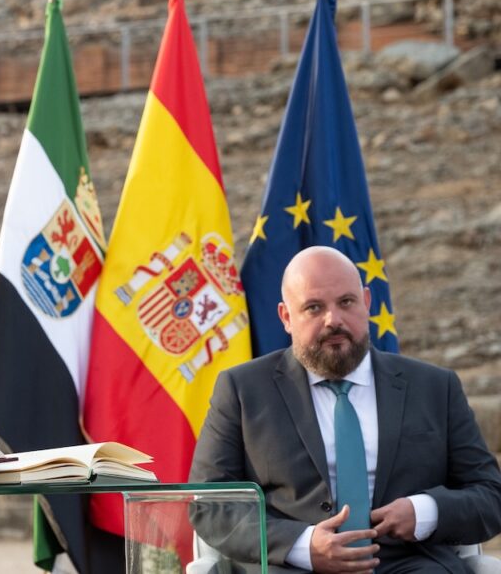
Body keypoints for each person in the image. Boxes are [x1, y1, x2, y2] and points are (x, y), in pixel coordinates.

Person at [189, 245, 501, 574]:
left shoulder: (435, 387)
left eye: (346, 302)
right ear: (286, 317)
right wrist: (302, 545)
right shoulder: (242, 390)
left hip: (410, 564)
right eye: (314, 307)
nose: (333, 320)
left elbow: (490, 496)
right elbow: (209, 504)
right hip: (289, 566)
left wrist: (425, 511)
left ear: (366, 302)